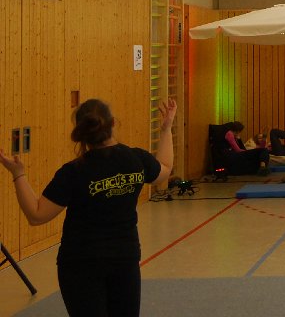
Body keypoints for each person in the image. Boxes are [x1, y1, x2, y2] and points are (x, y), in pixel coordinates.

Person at [0, 98, 175, 317]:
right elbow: (165, 169)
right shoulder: (135, 159)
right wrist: (166, 129)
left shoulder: (73, 172)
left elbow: (36, 215)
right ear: (113, 123)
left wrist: (18, 174)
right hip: (124, 260)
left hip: (81, 263)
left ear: (81, 132)